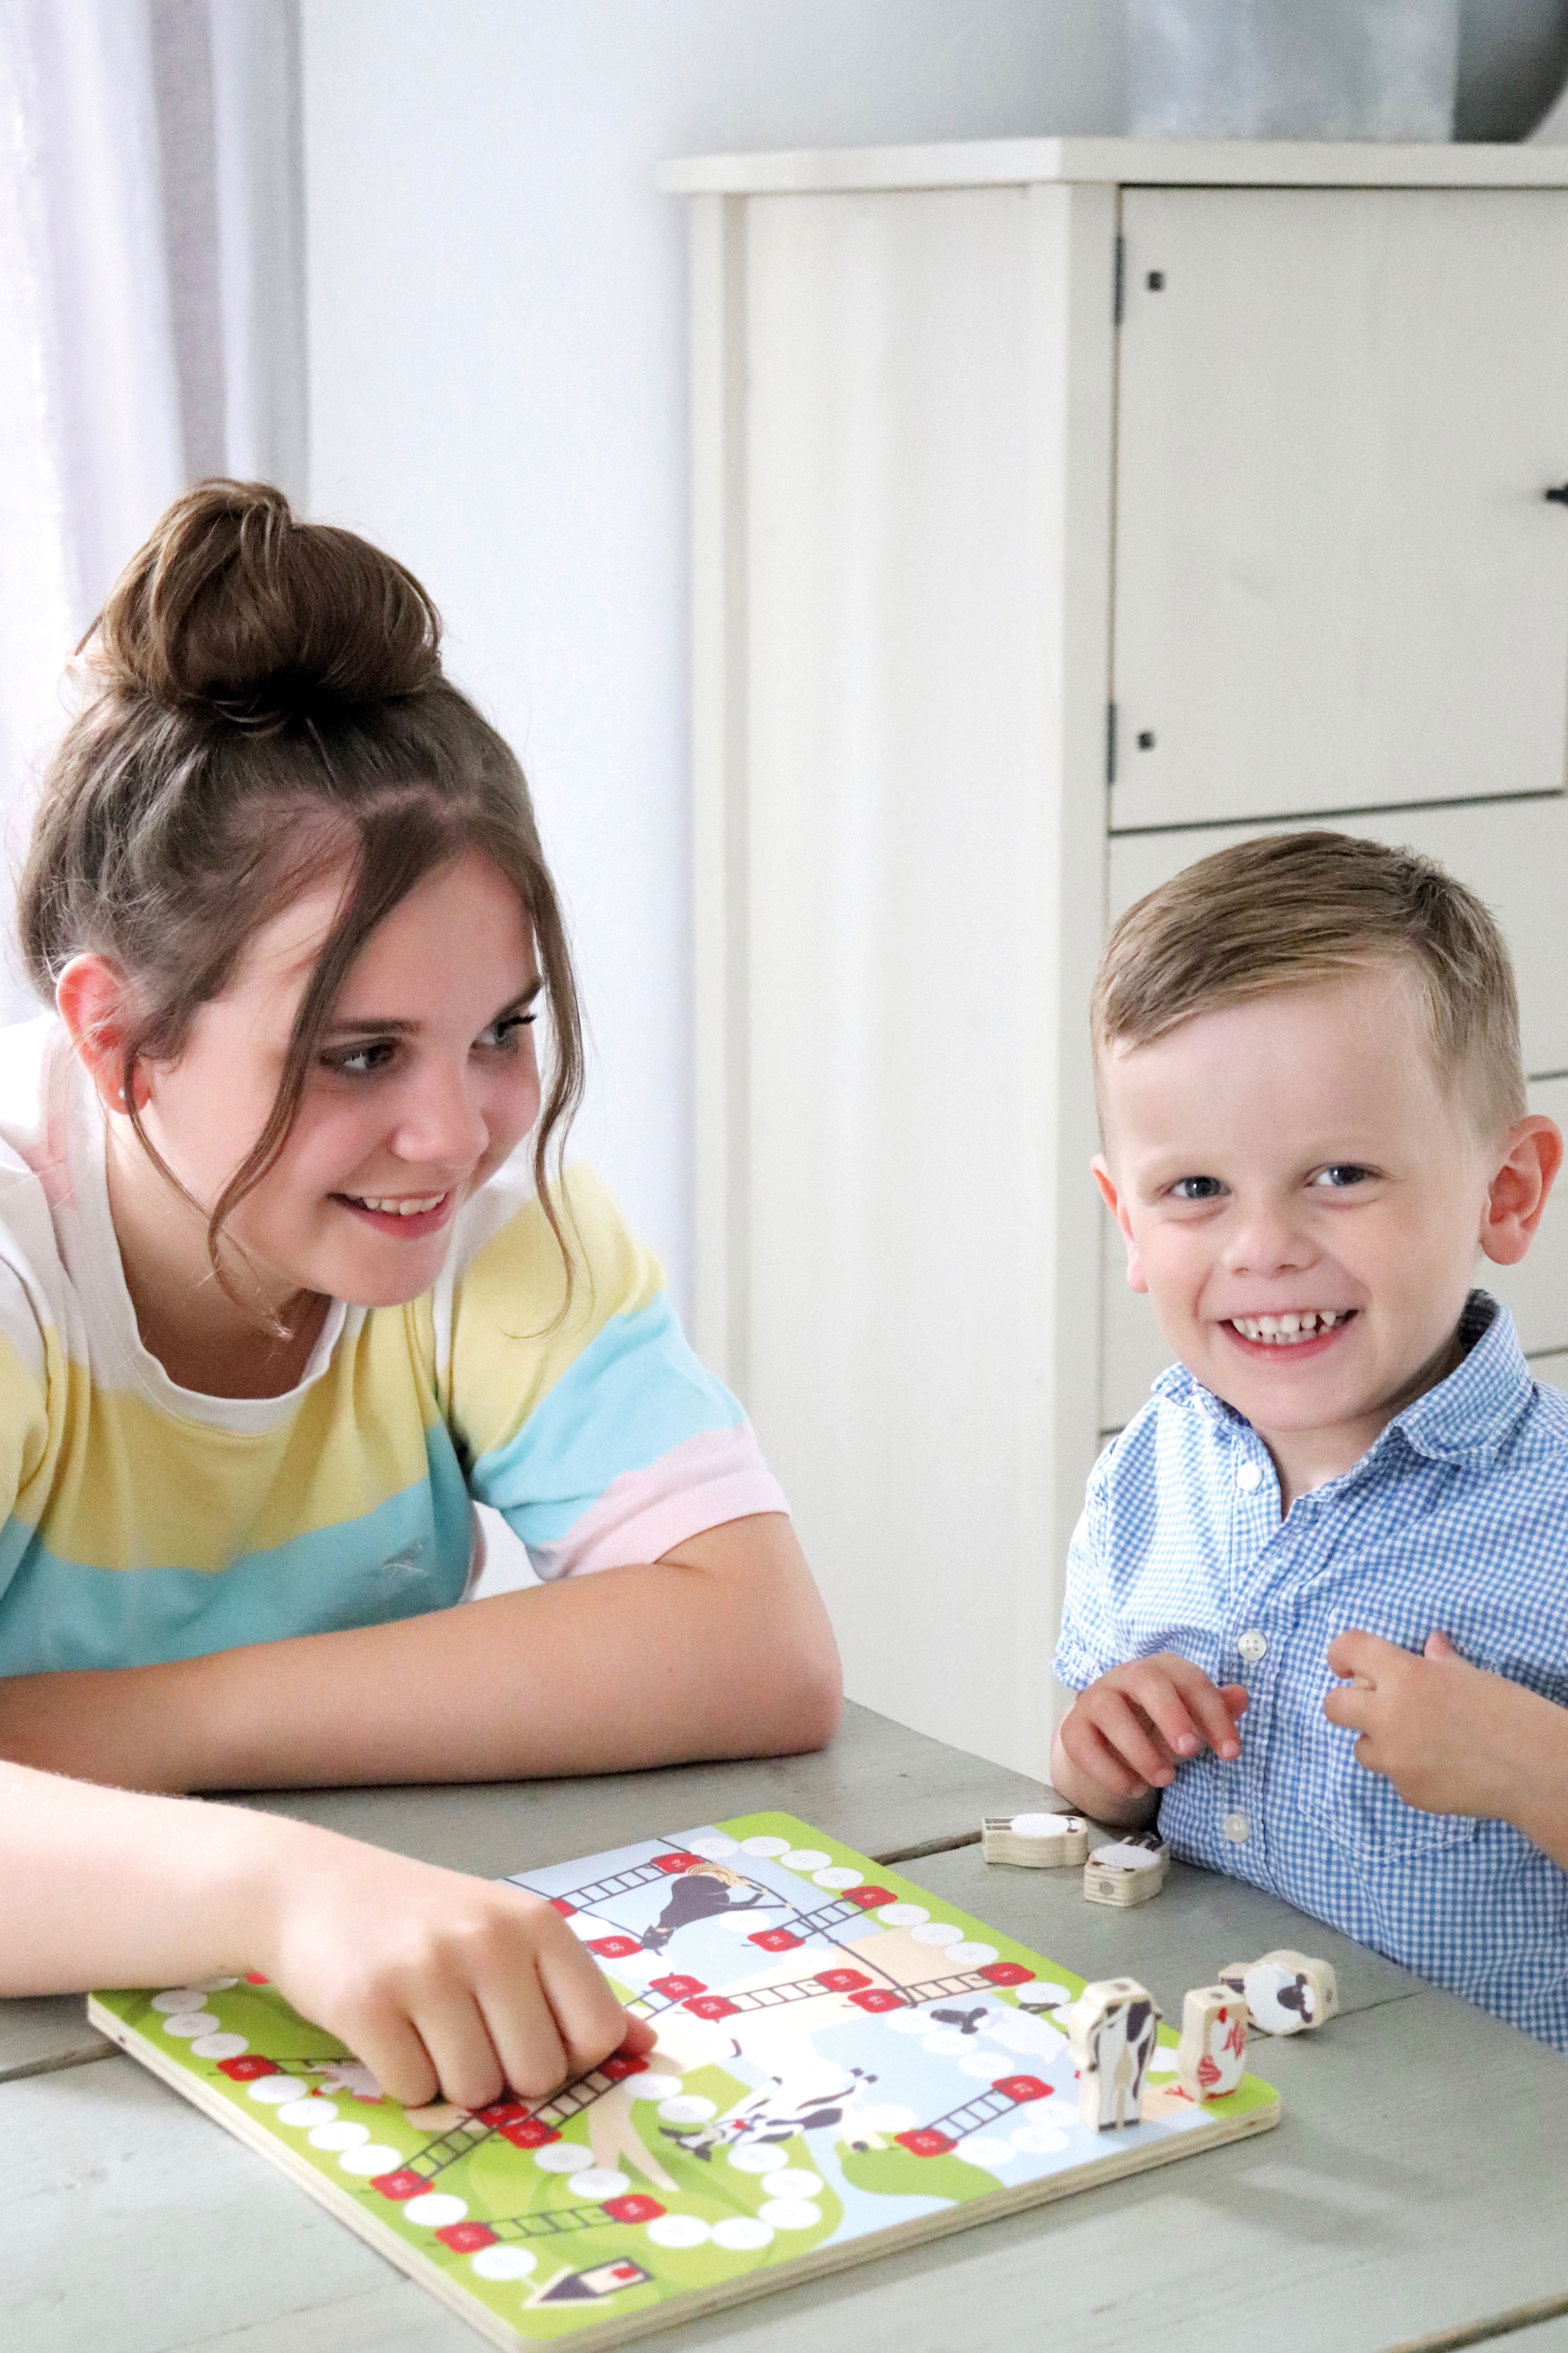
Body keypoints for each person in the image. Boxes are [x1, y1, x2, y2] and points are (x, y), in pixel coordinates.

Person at [0, 480, 841, 2108]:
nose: (450, 1136)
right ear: (117, 1042)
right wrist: (278, 1889)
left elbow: (759, 1640)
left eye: (501, 1033)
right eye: (358, 1056)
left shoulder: (486, 1233)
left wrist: (142, 1725)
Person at [1050, 830, 1568, 2048]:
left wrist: (1525, 1760)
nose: (1261, 1247)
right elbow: (1105, 1826)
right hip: (1218, 2123)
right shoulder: (1144, 1478)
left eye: (1338, 1172)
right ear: (1126, 1221)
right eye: (1194, 1192)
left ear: (1505, 1193)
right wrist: (1099, 1770)